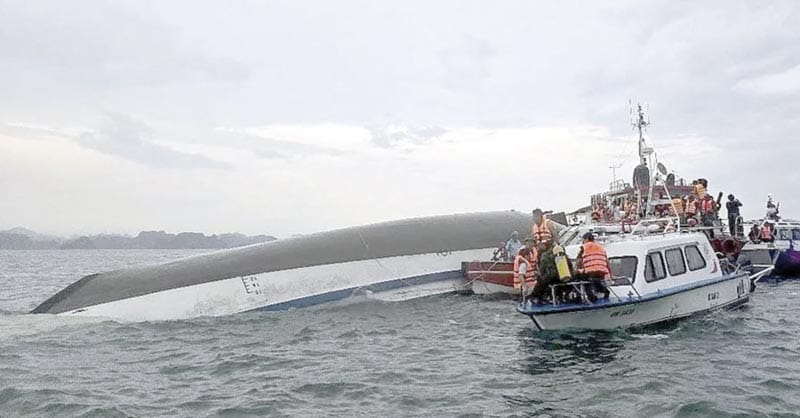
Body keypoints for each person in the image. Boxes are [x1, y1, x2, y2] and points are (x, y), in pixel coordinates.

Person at [575, 232, 611, 302]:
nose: (582, 241)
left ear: (586, 239)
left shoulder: (584, 247)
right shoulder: (601, 248)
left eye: (583, 239)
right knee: (596, 280)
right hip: (601, 271)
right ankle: (605, 291)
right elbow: (607, 262)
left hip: (590, 271)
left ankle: (581, 297)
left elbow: (579, 261)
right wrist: (610, 274)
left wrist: (578, 270)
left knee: (579, 278)